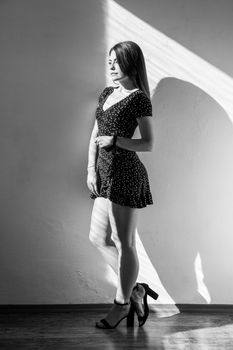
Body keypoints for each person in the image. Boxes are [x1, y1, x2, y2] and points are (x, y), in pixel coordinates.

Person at [87, 41, 158, 329]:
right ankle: (136, 289)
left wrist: (116, 141)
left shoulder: (139, 98)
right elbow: (95, 132)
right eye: (109, 61)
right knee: (98, 238)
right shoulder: (107, 93)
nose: (111, 66)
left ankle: (120, 305)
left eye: (116, 61)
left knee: (123, 242)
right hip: (103, 175)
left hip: (126, 174)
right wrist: (91, 168)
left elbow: (149, 143)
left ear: (130, 63)